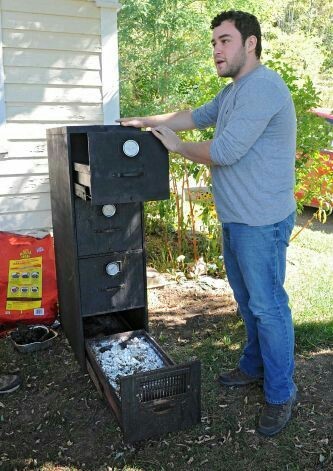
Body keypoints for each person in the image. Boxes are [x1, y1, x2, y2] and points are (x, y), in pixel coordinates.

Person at [118, 10, 297, 436]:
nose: (216, 49)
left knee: (269, 307)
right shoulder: (235, 91)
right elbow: (195, 116)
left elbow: (226, 150)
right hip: (237, 218)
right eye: (214, 42)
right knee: (248, 301)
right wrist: (145, 122)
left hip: (262, 222)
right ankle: (254, 367)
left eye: (225, 40)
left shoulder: (263, 88)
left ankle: (281, 392)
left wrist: (176, 147)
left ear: (250, 43)